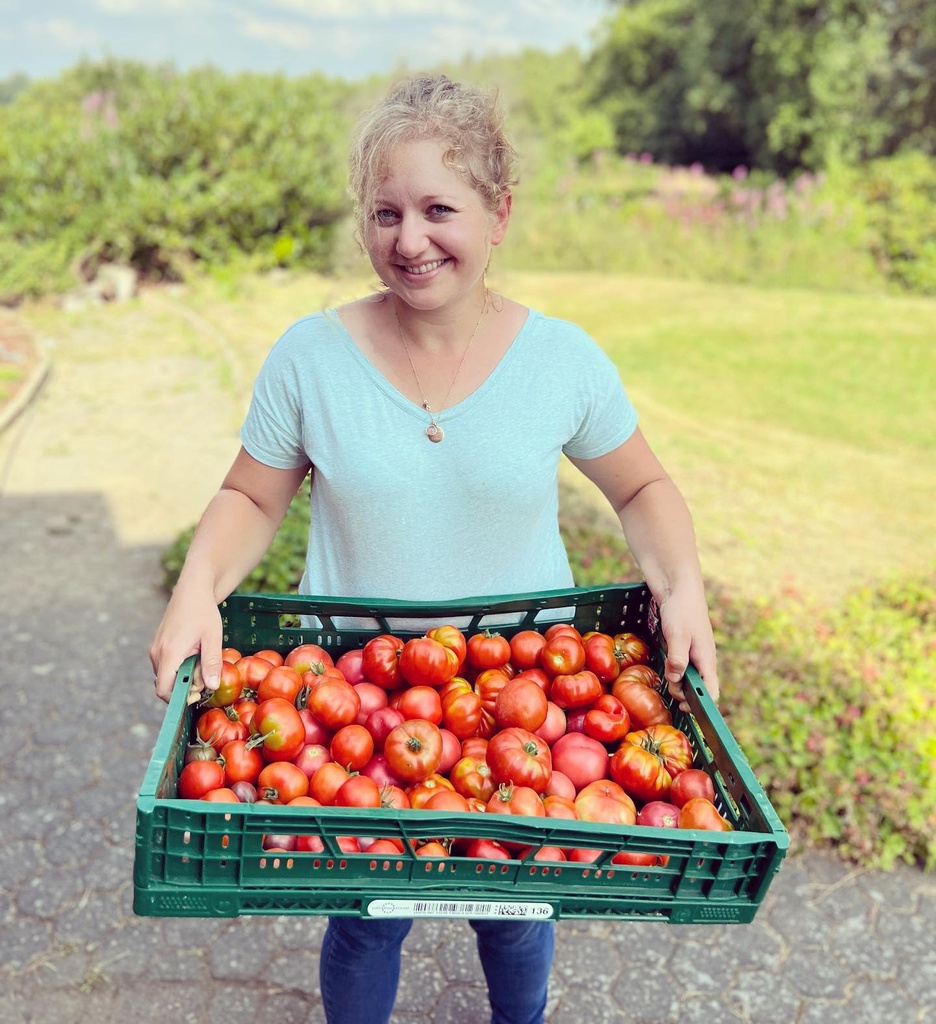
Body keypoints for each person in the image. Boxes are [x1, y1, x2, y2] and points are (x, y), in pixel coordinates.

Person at [150, 73, 719, 1024]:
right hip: (351, 703)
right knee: (365, 920)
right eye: (385, 213)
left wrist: (684, 583)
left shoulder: (561, 360)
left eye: (438, 209)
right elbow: (250, 494)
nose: (409, 241)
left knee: (516, 915)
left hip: (527, 697)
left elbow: (642, 488)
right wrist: (196, 588)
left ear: (499, 214)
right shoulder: (311, 358)